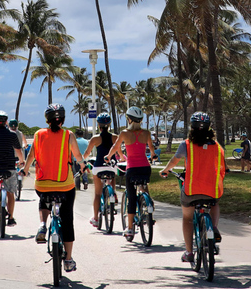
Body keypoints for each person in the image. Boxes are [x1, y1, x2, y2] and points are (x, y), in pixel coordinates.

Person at [22, 103, 86, 273]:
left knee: (44, 198)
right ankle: (68, 260)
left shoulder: (38, 134)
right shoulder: (68, 135)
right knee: (67, 219)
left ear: (47, 119)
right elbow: (77, 155)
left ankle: (42, 225)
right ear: (63, 119)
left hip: (43, 183)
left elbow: (31, 155)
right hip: (65, 185)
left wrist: (26, 169)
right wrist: (83, 165)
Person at [160, 111, 226, 263]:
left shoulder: (186, 145)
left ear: (192, 128)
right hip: (212, 191)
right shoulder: (217, 147)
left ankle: (189, 252)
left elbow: (174, 161)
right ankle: (213, 227)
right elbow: (223, 167)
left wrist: (165, 170)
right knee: (215, 203)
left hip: (191, 191)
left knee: (187, 218)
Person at [105, 106, 153, 240]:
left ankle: (130, 228)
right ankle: (149, 207)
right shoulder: (146, 133)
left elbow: (116, 147)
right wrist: (153, 156)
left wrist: (108, 156)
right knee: (144, 186)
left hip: (132, 168)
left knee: (131, 197)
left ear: (129, 119)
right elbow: (152, 150)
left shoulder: (124, 133)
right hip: (145, 168)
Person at [87, 113, 118, 228]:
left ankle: (95, 218)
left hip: (99, 166)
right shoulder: (115, 137)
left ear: (99, 125)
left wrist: (82, 161)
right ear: (109, 124)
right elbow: (119, 152)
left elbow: (87, 153)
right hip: (111, 166)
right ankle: (113, 193)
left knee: (97, 193)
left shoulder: (95, 138)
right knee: (113, 174)